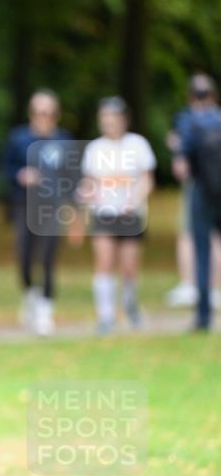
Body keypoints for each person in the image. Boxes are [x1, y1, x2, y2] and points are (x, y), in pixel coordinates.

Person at [77, 96, 156, 334]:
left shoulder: (137, 144)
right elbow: (89, 182)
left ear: (124, 120)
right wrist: (86, 194)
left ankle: (130, 306)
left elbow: (146, 179)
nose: (110, 123)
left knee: (129, 266)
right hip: (104, 214)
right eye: (105, 119)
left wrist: (135, 200)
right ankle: (106, 315)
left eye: (114, 118)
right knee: (104, 263)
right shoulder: (94, 149)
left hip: (131, 214)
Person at [2, 90, 72, 336]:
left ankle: (45, 310)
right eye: (38, 112)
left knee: (49, 257)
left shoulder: (64, 141)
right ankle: (30, 293)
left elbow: (72, 175)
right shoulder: (19, 139)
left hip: (53, 207)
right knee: (24, 256)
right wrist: (21, 175)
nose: (43, 117)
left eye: (48, 112)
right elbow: (6, 169)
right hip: (24, 205)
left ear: (56, 114)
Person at [166, 74, 221, 308]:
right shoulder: (218, 118)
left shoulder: (187, 120)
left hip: (199, 189)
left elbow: (180, 163)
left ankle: (203, 307)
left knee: (197, 242)